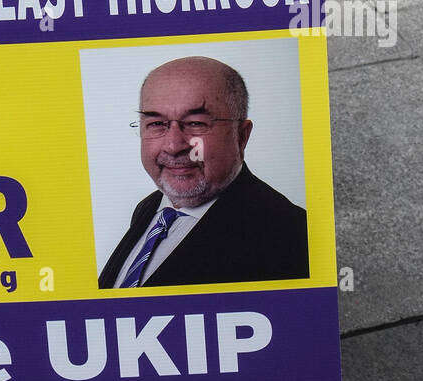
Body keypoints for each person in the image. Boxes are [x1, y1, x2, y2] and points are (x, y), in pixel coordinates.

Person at [98, 57, 309, 288]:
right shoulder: (150, 208)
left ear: (241, 136)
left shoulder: (291, 236)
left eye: (196, 123)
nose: (174, 145)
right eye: (157, 124)